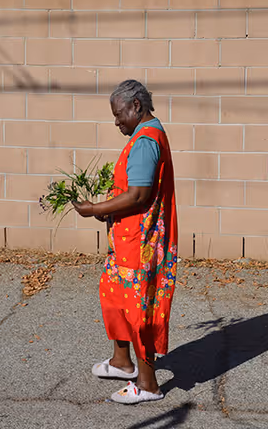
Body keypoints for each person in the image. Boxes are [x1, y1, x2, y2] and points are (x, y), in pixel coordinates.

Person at [72, 80, 178, 404]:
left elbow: (138, 195)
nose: (116, 122)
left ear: (136, 106)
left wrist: (94, 210)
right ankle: (122, 362)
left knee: (139, 309)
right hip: (128, 239)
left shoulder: (146, 140)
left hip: (142, 245)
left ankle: (148, 385)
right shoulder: (141, 136)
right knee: (114, 295)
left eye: (119, 115)